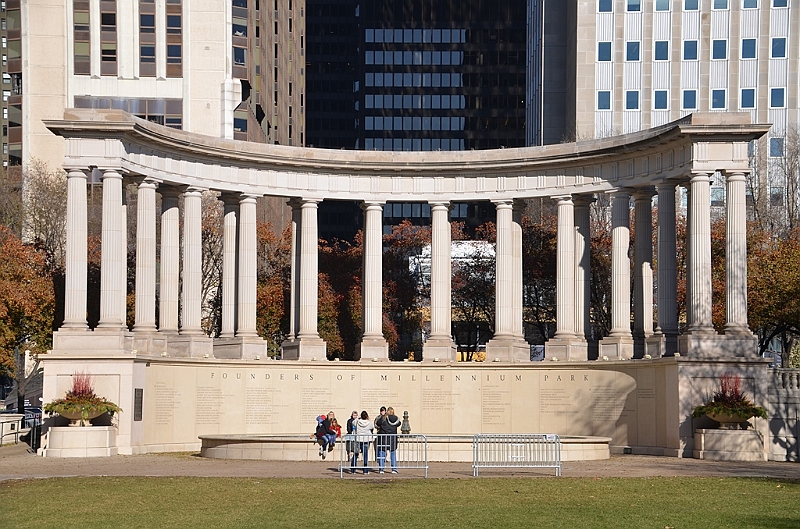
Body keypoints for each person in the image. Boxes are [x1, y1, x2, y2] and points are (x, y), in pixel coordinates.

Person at [376, 406, 401, 474]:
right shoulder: (396, 419)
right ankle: (394, 469)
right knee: (393, 453)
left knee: (382, 453)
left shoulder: (383, 418)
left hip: (384, 438)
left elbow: (378, 423)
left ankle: (381, 469)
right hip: (392, 439)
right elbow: (399, 423)